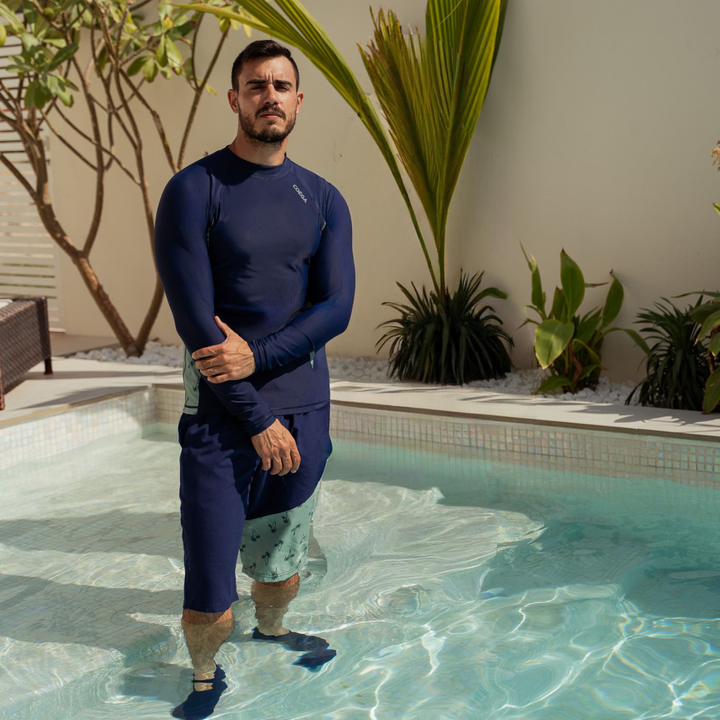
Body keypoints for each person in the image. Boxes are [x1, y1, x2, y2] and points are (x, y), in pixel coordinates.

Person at [153, 38, 355, 719]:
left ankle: (272, 631)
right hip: (220, 415)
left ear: (299, 100)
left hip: (306, 409)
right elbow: (196, 323)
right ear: (234, 98)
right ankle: (203, 677)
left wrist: (261, 360)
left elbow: (337, 307)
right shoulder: (194, 190)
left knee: (282, 558)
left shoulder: (323, 198)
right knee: (210, 573)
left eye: (281, 85)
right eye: (256, 85)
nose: (270, 96)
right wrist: (256, 415)